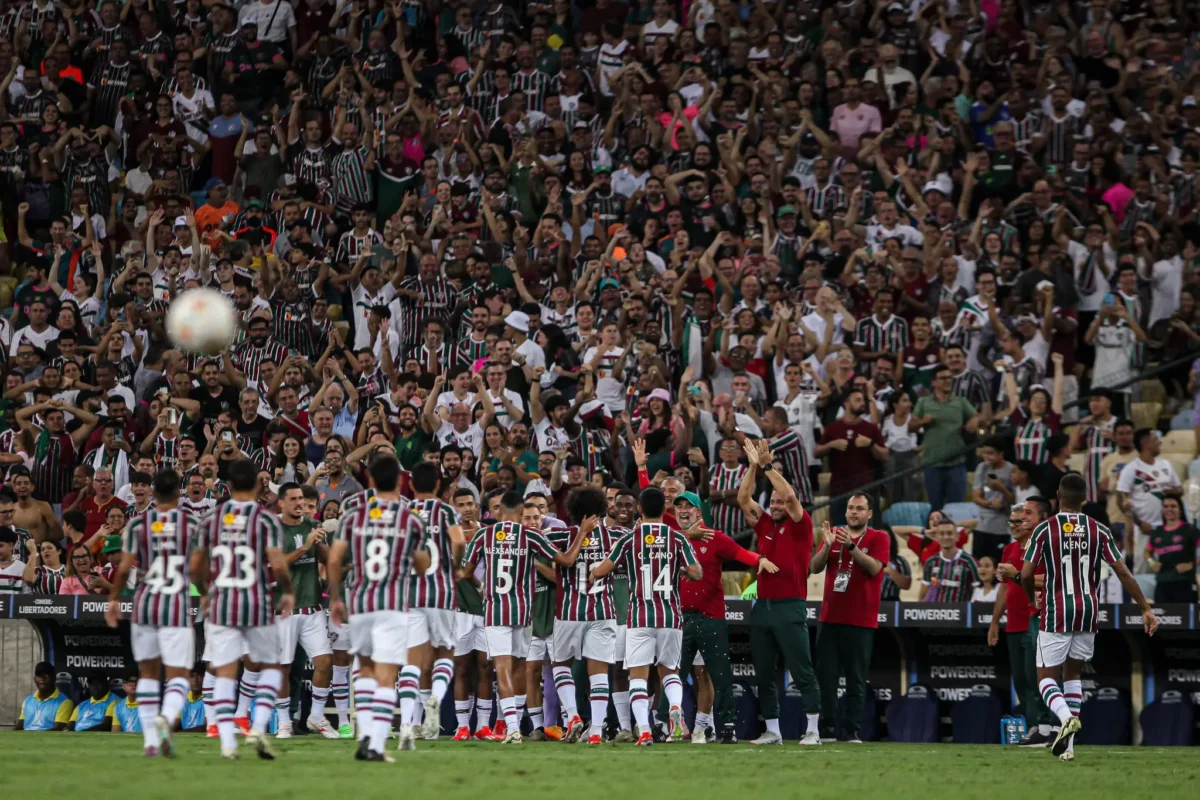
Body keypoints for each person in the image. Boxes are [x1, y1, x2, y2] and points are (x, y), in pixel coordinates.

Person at [1022, 473, 1158, 761]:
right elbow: (1122, 571)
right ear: (1084, 498)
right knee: (1073, 675)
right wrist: (1145, 607)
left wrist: (1029, 596)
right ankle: (1068, 749)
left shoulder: (1045, 529)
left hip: (1057, 610)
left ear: (1058, 496)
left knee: (1045, 679)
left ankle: (1064, 718)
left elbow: (1024, 573)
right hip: (1088, 611)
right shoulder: (1099, 529)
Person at [191, 459, 295, 761]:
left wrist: (206, 592)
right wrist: (287, 591)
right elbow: (277, 563)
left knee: (225, 672)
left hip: (222, 603)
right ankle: (259, 727)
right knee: (272, 667)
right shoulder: (266, 520)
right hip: (257, 603)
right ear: (257, 484)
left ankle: (226, 742)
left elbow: (195, 566)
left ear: (230, 485)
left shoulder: (211, 519)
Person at [327, 455, 430, 759]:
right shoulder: (411, 519)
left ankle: (367, 734)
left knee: (366, 668)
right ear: (400, 482)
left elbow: (334, 560)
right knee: (387, 673)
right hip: (392, 605)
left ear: (370, 481)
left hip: (359, 602)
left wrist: (335, 598)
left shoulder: (352, 517)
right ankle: (374, 743)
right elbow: (423, 565)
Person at [462, 490, 584, 744]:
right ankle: (513, 725)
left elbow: (466, 572)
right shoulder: (530, 535)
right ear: (519, 512)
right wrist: (582, 533)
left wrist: (481, 586)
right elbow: (567, 560)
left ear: (499, 511)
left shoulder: (483, 535)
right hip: (523, 612)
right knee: (518, 668)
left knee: (503, 669)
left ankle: (513, 729)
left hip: (496, 612)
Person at [590, 487, 702, 746]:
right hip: (671, 616)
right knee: (669, 671)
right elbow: (697, 573)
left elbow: (603, 569)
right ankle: (675, 707)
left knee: (638, 676)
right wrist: (682, 569)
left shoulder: (630, 539)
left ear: (640, 510)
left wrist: (594, 570)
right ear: (666, 510)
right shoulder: (677, 539)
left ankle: (644, 731)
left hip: (640, 616)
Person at [103, 469, 203, 754]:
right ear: (179, 493)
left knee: (147, 673)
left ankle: (149, 739)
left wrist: (112, 600)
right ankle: (167, 717)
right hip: (176, 604)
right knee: (179, 674)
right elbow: (197, 567)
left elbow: (124, 567)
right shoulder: (192, 523)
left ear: (153, 492)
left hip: (145, 602)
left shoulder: (137, 524)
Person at [737, 439, 822, 746]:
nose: (775, 505)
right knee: (763, 672)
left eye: (779, 503)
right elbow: (743, 498)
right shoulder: (765, 525)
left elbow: (788, 494)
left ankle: (813, 729)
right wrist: (751, 467)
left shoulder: (802, 525)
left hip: (790, 606)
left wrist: (767, 466)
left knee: (801, 670)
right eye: (771, 502)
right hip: (763, 607)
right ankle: (773, 731)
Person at [673, 490, 774, 744]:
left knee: (720, 675)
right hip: (680, 618)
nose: (683, 510)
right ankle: (669, 727)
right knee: (673, 676)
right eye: (679, 507)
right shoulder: (672, 538)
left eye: (689, 506)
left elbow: (741, 554)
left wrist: (760, 559)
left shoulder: (714, 537)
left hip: (711, 616)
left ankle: (727, 727)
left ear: (699, 512)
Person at [546, 486, 625, 745]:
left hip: (568, 612)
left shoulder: (561, 535)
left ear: (572, 510)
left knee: (560, 665)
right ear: (602, 509)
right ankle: (596, 732)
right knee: (599, 672)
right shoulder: (616, 535)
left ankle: (573, 717)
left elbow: (534, 543)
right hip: (603, 612)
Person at [810, 493, 888, 744]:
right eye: (850, 508)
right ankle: (828, 728)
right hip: (830, 617)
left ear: (869, 514)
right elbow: (815, 567)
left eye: (860, 508)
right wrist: (827, 544)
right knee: (826, 676)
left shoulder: (879, 537)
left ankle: (852, 729)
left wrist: (851, 547)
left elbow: (875, 568)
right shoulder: (833, 533)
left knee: (856, 677)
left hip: (861, 620)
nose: (854, 512)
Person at [398, 462, 466, 742]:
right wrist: (457, 567)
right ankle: (435, 699)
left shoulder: (404, 512)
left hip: (410, 595)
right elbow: (459, 542)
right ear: (439, 486)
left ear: (412, 486)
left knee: (412, 661)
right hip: (441, 592)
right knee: (444, 654)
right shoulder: (446, 511)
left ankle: (404, 723)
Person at [272, 482, 335, 739]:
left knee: (324, 661)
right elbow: (277, 566)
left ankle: (316, 716)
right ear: (282, 503)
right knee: (283, 668)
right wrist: (306, 546)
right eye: (294, 499)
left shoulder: (311, 525)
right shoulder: (273, 528)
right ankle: (284, 721)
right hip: (285, 610)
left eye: (302, 499)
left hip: (313, 607)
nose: (300, 503)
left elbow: (326, 559)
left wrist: (321, 543)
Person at [987, 502, 1052, 748]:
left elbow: (1050, 579)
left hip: (1035, 619)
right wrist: (995, 621)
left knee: (1036, 677)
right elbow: (1004, 587)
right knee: (1021, 679)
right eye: (1012, 522)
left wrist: (1016, 574)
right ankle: (1033, 724)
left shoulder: (1043, 547)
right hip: (1013, 623)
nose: (1014, 525)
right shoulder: (1010, 549)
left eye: (1019, 521)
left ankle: (1044, 726)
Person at [911, 365, 979, 511]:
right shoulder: (923, 402)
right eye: (943, 378)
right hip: (932, 463)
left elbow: (975, 416)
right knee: (935, 510)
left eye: (950, 378)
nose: (948, 381)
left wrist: (973, 422)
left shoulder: (960, 402)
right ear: (934, 382)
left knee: (957, 509)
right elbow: (911, 427)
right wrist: (923, 422)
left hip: (956, 464)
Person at [1145, 496, 1198, 603]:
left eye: (1173, 506)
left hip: (1184, 582)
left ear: (1180, 509)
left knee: (1184, 618)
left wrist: (1191, 564)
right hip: (1162, 582)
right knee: (1162, 618)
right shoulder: (1158, 532)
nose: (1169, 509)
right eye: (1166, 506)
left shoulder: (1190, 529)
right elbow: (1147, 551)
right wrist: (1151, 562)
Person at [17, 662, 74, 731]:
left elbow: (58, 729)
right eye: (39, 675)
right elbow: (19, 727)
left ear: (54, 678)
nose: (43, 678)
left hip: (48, 740)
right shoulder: (28, 700)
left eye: (47, 675)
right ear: (34, 679)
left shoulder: (65, 702)